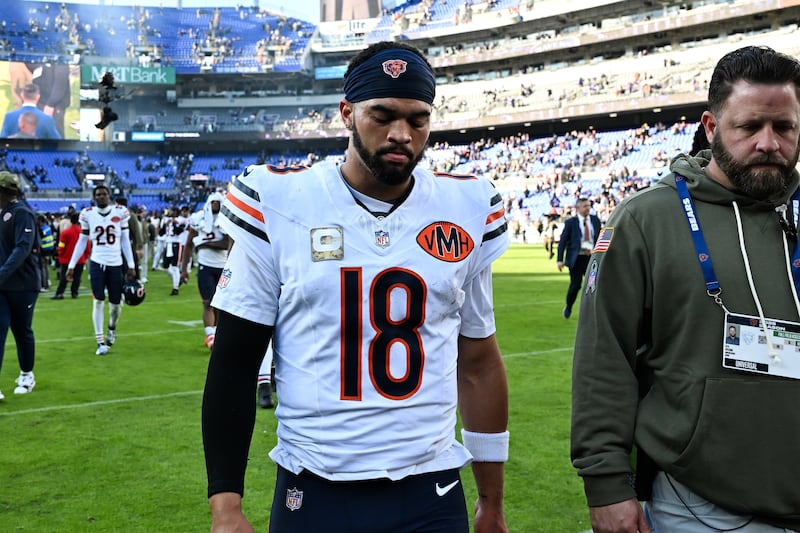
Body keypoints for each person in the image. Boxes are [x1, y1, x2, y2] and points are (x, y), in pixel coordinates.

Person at [202, 41, 510, 533]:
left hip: (432, 488)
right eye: (382, 115)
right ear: (346, 113)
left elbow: (478, 362)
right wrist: (226, 506)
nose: (400, 134)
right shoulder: (282, 200)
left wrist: (491, 500)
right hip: (317, 485)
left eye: (417, 120)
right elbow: (235, 362)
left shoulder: (466, 206)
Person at [571, 45, 800, 533]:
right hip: (701, 509)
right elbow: (602, 357)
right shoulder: (646, 220)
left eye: (784, 128)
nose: (768, 143)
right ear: (712, 127)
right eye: (749, 127)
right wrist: (607, 483)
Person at [66, 185, 136, 356]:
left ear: (109, 195)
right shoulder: (87, 214)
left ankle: (112, 327)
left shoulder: (120, 212)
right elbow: (82, 242)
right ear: (94, 197)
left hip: (115, 263)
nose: (102, 197)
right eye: (98, 194)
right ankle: (100, 341)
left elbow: (126, 241)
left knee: (116, 305)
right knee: (98, 301)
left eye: (104, 194)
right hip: (97, 262)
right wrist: (71, 265)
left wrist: (131, 265)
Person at [0, 171, 40, 399]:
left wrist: (1, 274)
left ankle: (27, 374)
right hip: (3, 285)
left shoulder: (22, 213)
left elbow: (22, 249)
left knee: (22, 331)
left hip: (23, 285)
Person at [179, 192, 230, 350]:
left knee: (221, 305)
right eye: (213, 202)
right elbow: (189, 243)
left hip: (224, 266)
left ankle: (217, 334)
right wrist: (184, 268)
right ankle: (210, 336)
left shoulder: (227, 218)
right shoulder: (199, 218)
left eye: (218, 202)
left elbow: (226, 243)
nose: (216, 205)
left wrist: (205, 243)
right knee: (207, 302)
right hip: (205, 265)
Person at [556, 197, 600, 318]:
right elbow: (563, 241)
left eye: (589, 206)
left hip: (591, 259)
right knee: (576, 285)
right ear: (578, 208)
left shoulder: (595, 220)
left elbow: (600, 238)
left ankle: (592, 311)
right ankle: (569, 306)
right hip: (576, 259)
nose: (588, 208)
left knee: (593, 285)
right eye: (585, 206)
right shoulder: (571, 223)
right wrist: (560, 260)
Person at [52, 212, 89, 299]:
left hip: (66, 259)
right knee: (77, 278)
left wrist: (60, 254)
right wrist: (85, 256)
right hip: (80, 259)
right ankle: (74, 293)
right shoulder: (83, 232)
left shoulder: (65, 232)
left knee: (63, 278)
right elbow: (87, 246)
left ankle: (60, 293)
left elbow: (61, 246)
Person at [159, 206, 187, 295]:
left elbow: (178, 232)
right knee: (165, 267)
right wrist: (165, 225)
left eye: (172, 211)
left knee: (175, 267)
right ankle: (177, 280)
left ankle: (175, 288)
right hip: (168, 244)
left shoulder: (181, 220)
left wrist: (174, 224)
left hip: (176, 244)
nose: (170, 212)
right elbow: (161, 233)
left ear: (176, 212)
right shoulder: (166, 220)